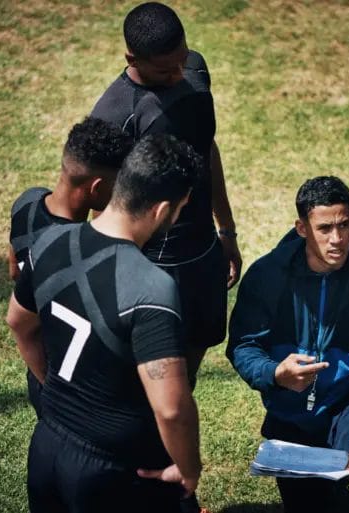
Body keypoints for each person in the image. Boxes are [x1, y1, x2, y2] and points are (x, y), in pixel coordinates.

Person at [6, 134, 203, 513]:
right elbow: (172, 409)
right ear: (163, 209)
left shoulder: (49, 242)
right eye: (179, 209)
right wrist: (188, 467)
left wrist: (54, 390)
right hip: (116, 474)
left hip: (47, 446)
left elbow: (17, 322)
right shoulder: (150, 287)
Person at [227, 176, 349, 513]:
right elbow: (243, 345)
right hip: (289, 415)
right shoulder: (267, 276)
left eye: (343, 225)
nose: (337, 239)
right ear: (302, 228)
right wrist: (274, 373)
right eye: (324, 228)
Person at [91, 2, 242, 385]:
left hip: (203, 254)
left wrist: (226, 230)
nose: (178, 75)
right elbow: (98, 207)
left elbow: (205, 148)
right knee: (150, 386)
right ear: (132, 59)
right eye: (164, 70)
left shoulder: (194, 70)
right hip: (151, 268)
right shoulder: (114, 116)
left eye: (182, 60)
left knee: (187, 375)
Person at [8, 116, 133, 417]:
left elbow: (15, 271)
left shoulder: (26, 203)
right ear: (96, 187)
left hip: (39, 366)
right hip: (73, 380)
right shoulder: (79, 248)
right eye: (119, 184)